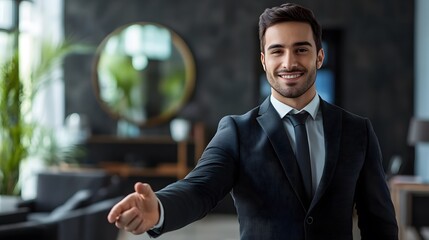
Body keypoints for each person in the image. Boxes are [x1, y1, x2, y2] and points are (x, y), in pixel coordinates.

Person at [107, 3, 398, 239]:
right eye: (277, 51)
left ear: (319, 56)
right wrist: (158, 209)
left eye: (301, 49)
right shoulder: (237, 131)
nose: (288, 62)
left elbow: (379, 222)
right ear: (263, 61)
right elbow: (199, 189)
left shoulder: (357, 131)